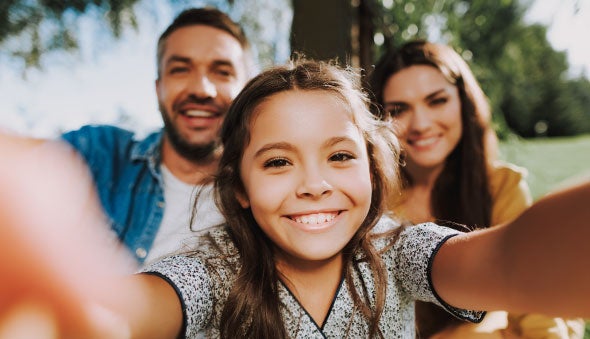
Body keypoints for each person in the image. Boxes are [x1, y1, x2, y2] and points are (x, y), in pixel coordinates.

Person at [2, 60, 590, 338]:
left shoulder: (396, 247)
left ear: (375, 168)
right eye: (278, 162)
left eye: (339, 156)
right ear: (240, 189)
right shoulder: (216, 266)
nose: (314, 183)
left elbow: (506, 260)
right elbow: (135, 313)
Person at [368, 40, 585, 338]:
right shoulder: (371, 204)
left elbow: (540, 318)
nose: (420, 123)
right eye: (399, 109)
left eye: (436, 101)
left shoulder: (501, 187)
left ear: (464, 102)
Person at [58, 7, 255, 265]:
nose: (201, 89)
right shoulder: (99, 154)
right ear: (158, 88)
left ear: (247, 90)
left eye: (222, 72)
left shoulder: (267, 192)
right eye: (181, 69)